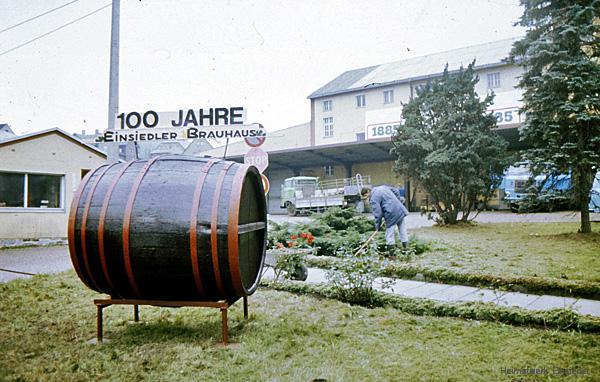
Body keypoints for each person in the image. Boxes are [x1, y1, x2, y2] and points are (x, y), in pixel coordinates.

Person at [362, 185, 409, 256]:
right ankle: (407, 251)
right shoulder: (383, 187)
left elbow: (378, 213)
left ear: (368, 191)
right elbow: (396, 191)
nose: (367, 199)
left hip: (391, 214)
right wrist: (397, 201)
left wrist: (377, 227)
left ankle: (392, 255)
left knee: (389, 234)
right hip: (400, 209)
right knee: (403, 231)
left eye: (366, 196)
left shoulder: (373, 198)